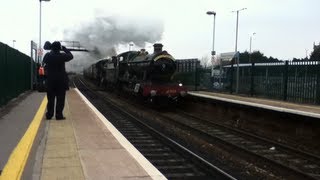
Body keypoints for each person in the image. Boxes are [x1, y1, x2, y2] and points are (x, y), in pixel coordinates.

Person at [43, 41, 73, 120]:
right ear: (59, 48)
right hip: (61, 82)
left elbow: (44, 60)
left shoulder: (48, 55)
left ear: (52, 48)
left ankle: (49, 115)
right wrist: (65, 49)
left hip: (50, 81)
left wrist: (51, 50)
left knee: (50, 99)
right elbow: (71, 56)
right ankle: (59, 115)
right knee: (60, 99)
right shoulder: (62, 56)